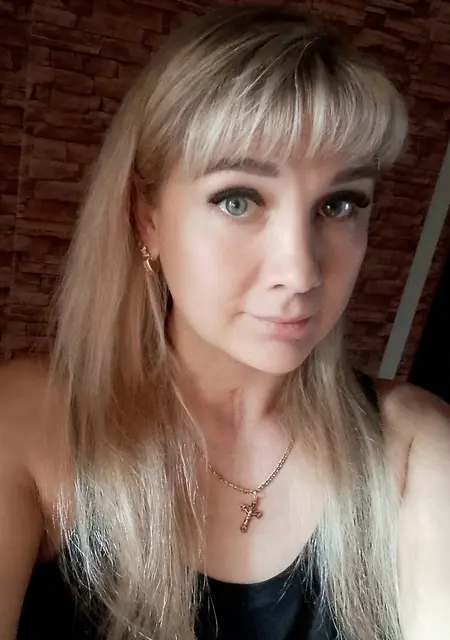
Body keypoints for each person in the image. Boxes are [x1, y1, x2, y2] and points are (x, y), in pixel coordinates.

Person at [1, 4, 449, 640]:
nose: (300, 271)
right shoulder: (30, 427)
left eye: (340, 204)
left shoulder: (415, 447)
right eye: (238, 200)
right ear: (147, 217)